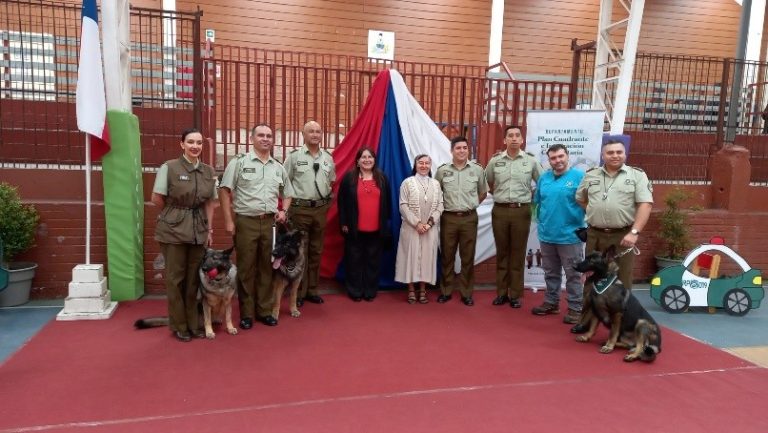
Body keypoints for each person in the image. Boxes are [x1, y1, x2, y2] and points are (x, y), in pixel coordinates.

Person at [571, 139, 653, 333]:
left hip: (622, 236)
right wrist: (596, 211)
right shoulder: (591, 175)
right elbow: (581, 198)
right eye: (610, 152)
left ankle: (623, 326)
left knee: (622, 281)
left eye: (619, 152)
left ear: (625, 154)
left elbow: (645, 204)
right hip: (595, 234)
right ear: (603, 155)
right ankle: (586, 321)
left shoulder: (636, 175)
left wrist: (634, 232)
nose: (615, 155)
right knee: (591, 280)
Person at [219, 124, 294, 330]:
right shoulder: (239, 162)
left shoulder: (277, 167)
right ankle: (247, 314)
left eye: (269, 136)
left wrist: (284, 211)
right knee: (246, 268)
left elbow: (288, 193)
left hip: (270, 223)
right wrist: (228, 221)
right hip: (246, 221)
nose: (265, 139)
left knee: (266, 267)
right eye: (261, 135)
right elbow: (224, 190)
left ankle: (264, 311)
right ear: (252, 139)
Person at [151, 128, 217, 342]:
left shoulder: (208, 171)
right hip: (173, 230)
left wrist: (209, 230)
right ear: (182, 144)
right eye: (190, 142)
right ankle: (179, 325)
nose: (195, 146)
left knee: (193, 280)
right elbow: (156, 198)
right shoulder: (169, 167)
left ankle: (193, 324)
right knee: (176, 280)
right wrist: (173, 215)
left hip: (198, 230)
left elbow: (210, 203)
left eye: (199, 142)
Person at [485, 125, 544, 308]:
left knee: (517, 254)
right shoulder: (495, 161)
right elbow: (487, 181)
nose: (514, 138)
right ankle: (502, 293)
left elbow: (542, 183)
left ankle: (515, 295)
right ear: (505, 140)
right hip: (500, 211)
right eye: (510, 135)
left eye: (517, 135)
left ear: (522, 139)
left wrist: (532, 197)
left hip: (521, 211)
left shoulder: (531, 161)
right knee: (502, 252)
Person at [531, 144, 586, 325]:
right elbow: (538, 203)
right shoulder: (544, 178)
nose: (558, 161)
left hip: (570, 236)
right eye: (553, 158)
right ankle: (551, 302)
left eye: (561, 156)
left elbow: (589, 203)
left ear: (567, 156)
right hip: (547, 235)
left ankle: (576, 308)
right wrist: (541, 223)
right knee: (550, 272)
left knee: (573, 275)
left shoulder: (580, 177)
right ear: (549, 161)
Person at [284, 120, 336, 307]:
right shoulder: (294, 157)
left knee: (316, 250)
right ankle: (298, 292)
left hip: (320, 209)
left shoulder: (327, 158)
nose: (315, 134)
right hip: (300, 209)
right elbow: (285, 182)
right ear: (303, 135)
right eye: (311, 131)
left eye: (318, 131)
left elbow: (331, 181)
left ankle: (312, 290)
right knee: (300, 251)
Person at [434, 136, 488, 306]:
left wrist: (470, 205)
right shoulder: (442, 171)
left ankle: (466, 293)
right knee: (447, 255)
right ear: (452, 151)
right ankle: (446, 291)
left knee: (467, 256)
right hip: (448, 218)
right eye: (458, 148)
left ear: (468, 149)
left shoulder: (477, 170)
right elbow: (436, 193)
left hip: (469, 218)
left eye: (465, 147)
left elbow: (483, 193)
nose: (462, 151)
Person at [337, 147, 391, 302]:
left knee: (373, 262)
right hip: (354, 228)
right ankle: (355, 291)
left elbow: (387, 202)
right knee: (354, 261)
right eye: (364, 157)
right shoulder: (349, 178)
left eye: (370, 157)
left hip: (376, 229)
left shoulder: (382, 178)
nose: (367, 160)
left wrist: (385, 223)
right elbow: (341, 202)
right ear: (358, 161)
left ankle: (370, 290)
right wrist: (344, 222)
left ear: (374, 160)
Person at [395, 154, 444, 304]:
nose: (423, 166)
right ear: (415, 165)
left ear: (430, 165)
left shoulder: (436, 184)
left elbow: (440, 205)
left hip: (430, 228)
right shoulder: (407, 183)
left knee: (427, 259)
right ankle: (411, 290)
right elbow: (403, 206)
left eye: (426, 163)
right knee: (410, 257)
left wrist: (429, 224)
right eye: (420, 163)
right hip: (411, 228)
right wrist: (417, 223)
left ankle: (423, 290)